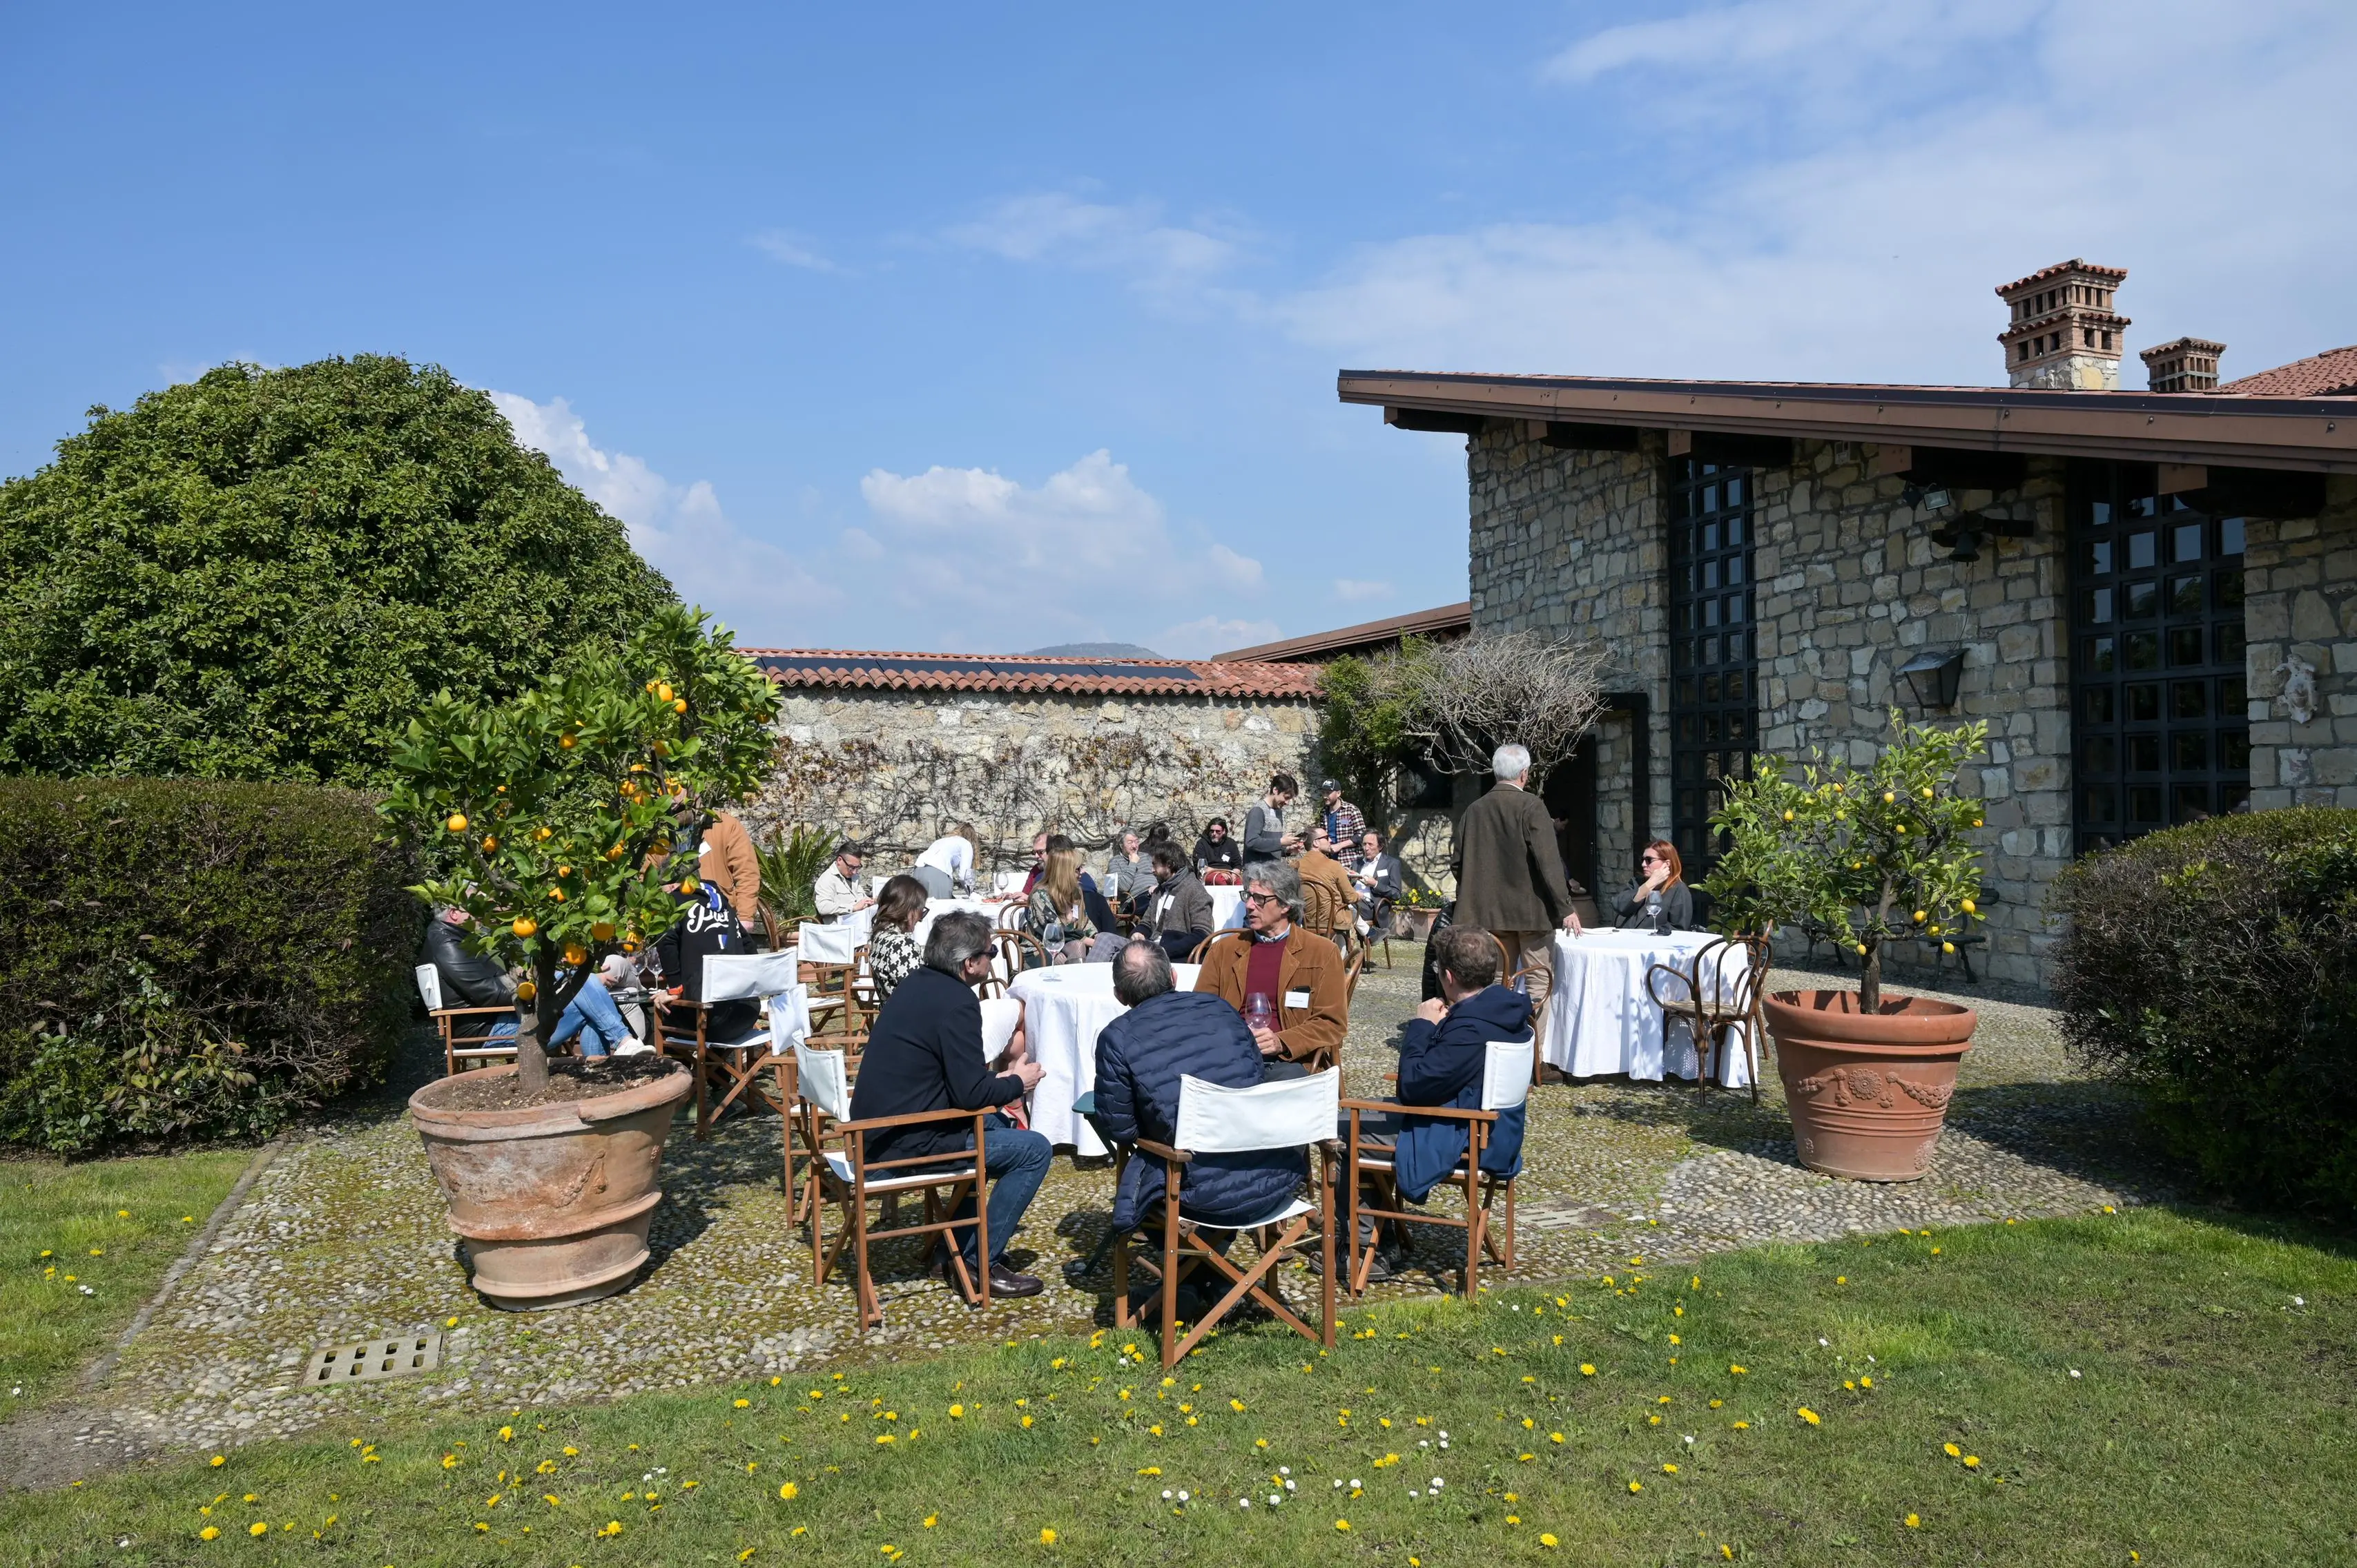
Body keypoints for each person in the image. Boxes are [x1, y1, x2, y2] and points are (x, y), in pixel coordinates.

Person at [848, 911, 1050, 1299]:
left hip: (880, 1129)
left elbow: (959, 1082)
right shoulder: (958, 1002)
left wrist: (999, 1086)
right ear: (970, 963)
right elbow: (969, 1095)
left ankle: (950, 1247)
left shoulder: (916, 985)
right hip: (903, 1141)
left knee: (995, 1127)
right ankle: (977, 1263)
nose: (993, 958)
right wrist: (1015, 1083)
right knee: (1034, 1150)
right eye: (989, 952)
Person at [1341, 924, 1533, 1282]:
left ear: (1446, 976)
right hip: (1493, 1129)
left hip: (1465, 1137)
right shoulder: (1505, 1009)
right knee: (1366, 1112)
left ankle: (1360, 1246)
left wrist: (1422, 1025)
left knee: (1343, 1127)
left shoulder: (1470, 1029)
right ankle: (1383, 1238)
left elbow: (1413, 1089)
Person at [1095, 940, 1306, 1244]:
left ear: (1119, 995)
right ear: (1174, 976)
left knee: (1149, 1168)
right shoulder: (1221, 1008)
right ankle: (1207, 1275)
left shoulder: (1117, 1037)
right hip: (1270, 1171)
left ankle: (1193, 1277)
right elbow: (1255, 1079)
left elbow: (1120, 1129)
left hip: (1198, 1189)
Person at [1451, 744, 1581, 1026]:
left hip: (1488, 915)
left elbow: (1457, 864)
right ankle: (1536, 1058)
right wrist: (1565, 907)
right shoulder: (1532, 806)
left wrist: (1477, 894)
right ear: (1524, 774)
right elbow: (1549, 864)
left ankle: (1498, 1048)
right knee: (1538, 984)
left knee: (1496, 983)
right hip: (1530, 915)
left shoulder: (1473, 810)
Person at [1192, 859, 1348, 1078]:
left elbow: (1332, 1024)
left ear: (1286, 905)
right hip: (1229, 1055)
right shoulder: (1224, 950)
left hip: (1290, 1059)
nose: (1249, 905)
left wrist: (1282, 1041)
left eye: (1260, 899)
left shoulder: (1321, 952)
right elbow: (1200, 1009)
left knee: (1277, 1092)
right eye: (1248, 896)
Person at [654, 880, 764, 1044]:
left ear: (671, 885)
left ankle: (685, 1068)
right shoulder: (724, 904)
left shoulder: (673, 902)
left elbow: (666, 943)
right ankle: (718, 1069)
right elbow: (748, 945)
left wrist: (675, 989)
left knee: (660, 1011)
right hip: (747, 1014)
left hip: (706, 1021)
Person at [1138, 842, 1214, 962]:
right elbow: (1146, 922)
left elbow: (1203, 935)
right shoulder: (1159, 891)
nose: (1152, 870)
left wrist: (1165, 950)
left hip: (1177, 957)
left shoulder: (1194, 891)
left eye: (1155, 865)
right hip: (1151, 949)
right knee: (1106, 940)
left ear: (1169, 865)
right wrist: (1139, 932)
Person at [1027, 844, 1101, 964]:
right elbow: (1056, 933)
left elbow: (1086, 923)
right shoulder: (1040, 896)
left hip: (1070, 944)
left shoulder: (1076, 892)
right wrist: (1088, 941)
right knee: (1076, 947)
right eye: (1078, 869)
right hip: (1041, 950)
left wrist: (1096, 937)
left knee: (1099, 944)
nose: (1082, 872)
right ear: (1065, 872)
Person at [1295, 824, 1359, 954]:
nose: (1330, 840)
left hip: (1306, 919)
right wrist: (1360, 896)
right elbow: (1351, 897)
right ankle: (1341, 962)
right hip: (1332, 919)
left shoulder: (1296, 866)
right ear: (1316, 843)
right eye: (1326, 837)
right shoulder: (1334, 865)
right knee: (1350, 912)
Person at [866, 873, 930, 1002]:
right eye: (921, 911)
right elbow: (921, 996)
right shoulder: (902, 946)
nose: (921, 918)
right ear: (908, 910)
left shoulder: (879, 937)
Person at [697, 807, 763, 927]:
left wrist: (745, 916)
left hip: (718, 918)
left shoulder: (725, 825)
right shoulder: (661, 828)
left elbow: (747, 873)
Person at [1615, 840, 1696, 932]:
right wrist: (1649, 885)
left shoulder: (1678, 890)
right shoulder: (1637, 882)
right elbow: (1619, 906)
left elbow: (1678, 929)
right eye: (1643, 860)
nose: (1644, 864)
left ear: (1667, 864)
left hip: (1654, 944)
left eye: (1649, 860)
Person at [1352, 829, 1406, 925]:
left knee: (1344, 908)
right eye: (1364, 844)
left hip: (1372, 906)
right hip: (1353, 899)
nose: (1366, 848)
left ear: (1380, 846)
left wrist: (1375, 884)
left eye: (1370, 844)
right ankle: (1367, 933)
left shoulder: (1391, 863)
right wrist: (1348, 877)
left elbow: (1396, 894)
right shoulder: (1357, 863)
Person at [912, 824, 980, 898]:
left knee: (921, 908)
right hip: (936, 874)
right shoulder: (966, 844)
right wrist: (971, 894)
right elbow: (964, 876)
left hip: (918, 871)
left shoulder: (941, 841)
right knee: (941, 908)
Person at [1241, 773, 1299, 860]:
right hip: (1257, 871)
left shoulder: (1278, 812)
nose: (1287, 803)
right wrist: (1281, 842)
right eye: (1286, 797)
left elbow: (1271, 848)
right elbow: (1252, 842)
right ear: (1275, 790)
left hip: (1273, 871)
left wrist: (1288, 849)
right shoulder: (1258, 811)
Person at [814, 840, 871, 924]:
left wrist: (869, 901)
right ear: (839, 860)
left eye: (858, 867)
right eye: (851, 867)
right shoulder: (827, 879)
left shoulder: (854, 877)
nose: (855, 872)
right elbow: (823, 907)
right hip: (840, 932)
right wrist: (852, 908)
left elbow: (860, 899)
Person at [1319, 781, 1369, 871]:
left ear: (1338, 793)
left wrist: (1340, 845)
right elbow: (1323, 834)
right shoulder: (1323, 812)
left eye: (1328, 793)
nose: (1325, 796)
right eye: (1323, 792)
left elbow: (1362, 835)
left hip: (1349, 862)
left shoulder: (1351, 810)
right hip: (1329, 862)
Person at [1102, 828, 1151, 905]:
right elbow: (1123, 887)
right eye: (1130, 843)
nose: (1135, 846)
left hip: (1154, 893)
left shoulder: (1146, 857)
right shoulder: (1115, 862)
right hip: (1136, 899)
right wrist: (1133, 863)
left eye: (1137, 842)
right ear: (1121, 845)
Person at [1194, 817, 1243, 881]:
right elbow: (1201, 866)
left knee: (1238, 883)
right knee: (1221, 881)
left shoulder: (1231, 843)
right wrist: (1220, 873)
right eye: (1212, 831)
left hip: (1229, 874)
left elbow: (1237, 864)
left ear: (1224, 831)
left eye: (1218, 831)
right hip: (1210, 873)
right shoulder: (1202, 843)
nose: (1214, 834)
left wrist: (1234, 874)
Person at [1020, 831, 1051, 898]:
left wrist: (1029, 899)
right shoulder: (1036, 870)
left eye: (1040, 852)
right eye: (1034, 852)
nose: (1036, 856)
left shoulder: (1061, 871)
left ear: (1052, 850)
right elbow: (1025, 894)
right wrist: (1011, 897)